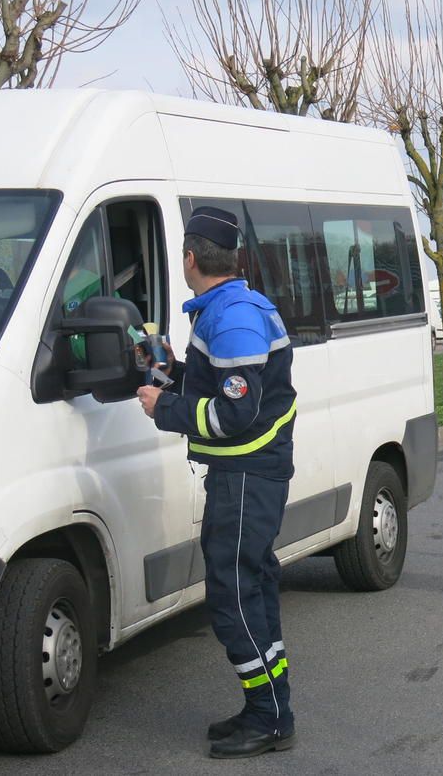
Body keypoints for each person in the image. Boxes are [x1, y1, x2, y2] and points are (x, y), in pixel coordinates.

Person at [134, 207, 298, 759]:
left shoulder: (232, 318)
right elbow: (225, 386)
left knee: (231, 594)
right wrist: (174, 372)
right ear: (233, 258)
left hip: (247, 473)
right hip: (248, 474)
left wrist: (166, 407)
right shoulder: (229, 309)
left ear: (190, 258)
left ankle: (269, 717)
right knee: (252, 587)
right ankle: (270, 709)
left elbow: (235, 415)